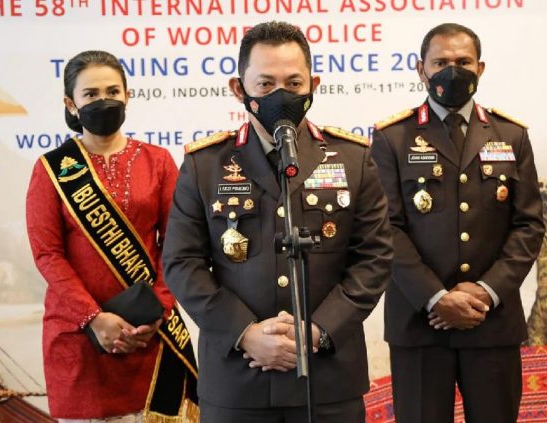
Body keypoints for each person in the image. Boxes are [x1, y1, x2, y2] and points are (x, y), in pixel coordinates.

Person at [162, 21, 393, 423]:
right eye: (266, 85)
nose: (280, 96)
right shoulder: (205, 165)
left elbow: (374, 258)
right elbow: (183, 264)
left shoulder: (352, 159)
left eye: (293, 83)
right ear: (240, 90)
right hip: (238, 381)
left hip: (327, 379)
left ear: (313, 85)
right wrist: (245, 334)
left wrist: (317, 331)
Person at [371, 23, 545, 422]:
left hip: (491, 321)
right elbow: (386, 229)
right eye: (441, 62)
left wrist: (485, 292)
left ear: (480, 69)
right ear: (421, 69)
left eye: (463, 62)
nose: (453, 71)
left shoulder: (511, 135)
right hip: (420, 322)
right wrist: (437, 298)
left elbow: (529, 225)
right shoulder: (392, 138)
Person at [26, 50, 197, 423]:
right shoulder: (50, 170)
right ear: (71, 104)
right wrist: (93, 317)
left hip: (150, 336)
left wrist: (158, 311)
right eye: (90, 94)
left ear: (127, 96)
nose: (103, 101)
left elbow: (177, 245)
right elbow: (48, 255)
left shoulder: (157, 161)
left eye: (112, 91)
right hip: (79, 339)